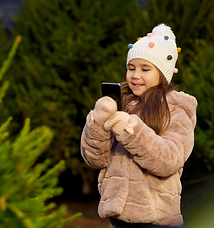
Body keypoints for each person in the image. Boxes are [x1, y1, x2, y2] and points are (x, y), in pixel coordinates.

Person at [80, 24, 197, 228]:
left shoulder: (177, 110)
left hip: (157, 221)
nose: (135, 75)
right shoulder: (120, 104)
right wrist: (98, 123)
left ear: (162, 73)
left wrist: (130, 129)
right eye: (131, 68)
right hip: (118, 218)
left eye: (145, 69)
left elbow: (169, 160)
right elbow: (95, 159)